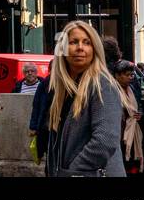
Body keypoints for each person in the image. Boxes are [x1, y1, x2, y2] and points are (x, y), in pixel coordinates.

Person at [45, 21, 126, 178]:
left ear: (94, 49)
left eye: (86, 42)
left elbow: (105, 141)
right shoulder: (61, 88)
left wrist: (73, 172)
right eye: (73, 42)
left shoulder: (102, 85)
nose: (80, 47)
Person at [113, 59, 143, 175]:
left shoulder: (132, 89)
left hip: (133, 131)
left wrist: (139, 114)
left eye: (132, 75)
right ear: (117, 75)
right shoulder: (112, 90)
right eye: (127, 75)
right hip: (119, 132)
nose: (130, 77)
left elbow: (138, 107)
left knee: (132, 161)